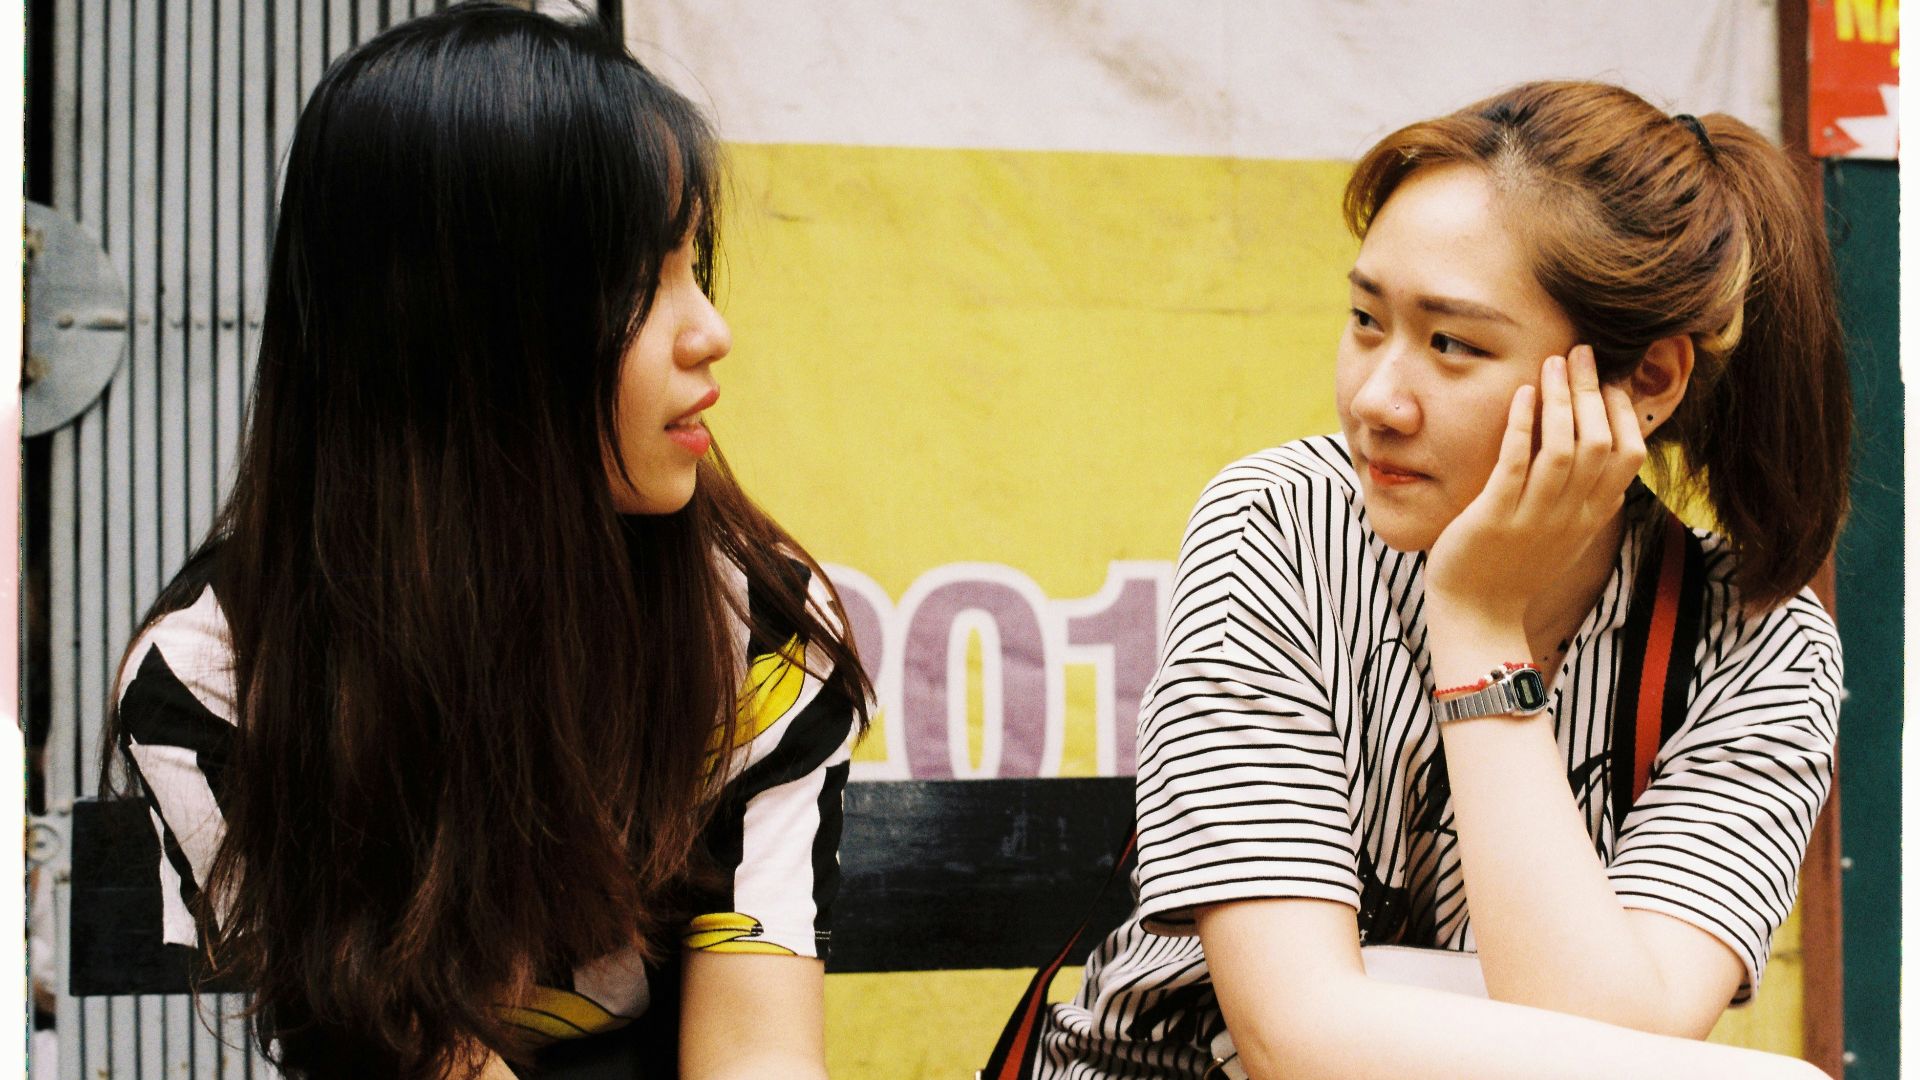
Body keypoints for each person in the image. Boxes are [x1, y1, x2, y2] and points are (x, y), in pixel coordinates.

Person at [101, 5, 868, 1077]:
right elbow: (421, 1055)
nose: (711, 330)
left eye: (698, 266)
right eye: (642, 282)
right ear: (458, 334)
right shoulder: (219, 685)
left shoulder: (760, 632)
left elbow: (757, 1055)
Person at [1040, 81, 1849, 1079]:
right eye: (1367, 320)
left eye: (1452, 345)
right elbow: (1294, 1035)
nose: (1378, 398)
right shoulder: (1280, 525)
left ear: (1646, 381)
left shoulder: (1761, 649)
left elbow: (1616, 1044)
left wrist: (1476, 627)